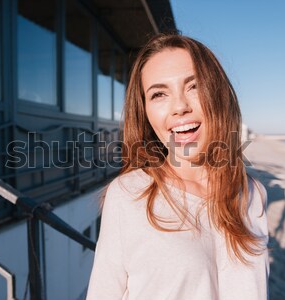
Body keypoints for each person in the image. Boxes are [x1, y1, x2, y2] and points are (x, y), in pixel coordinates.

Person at [86, 33, 269, 300]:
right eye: (159, 94)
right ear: (146, 112)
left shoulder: (252, 194)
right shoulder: (129, 193)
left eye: (193, 86)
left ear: (218, 94)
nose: (180, 106)